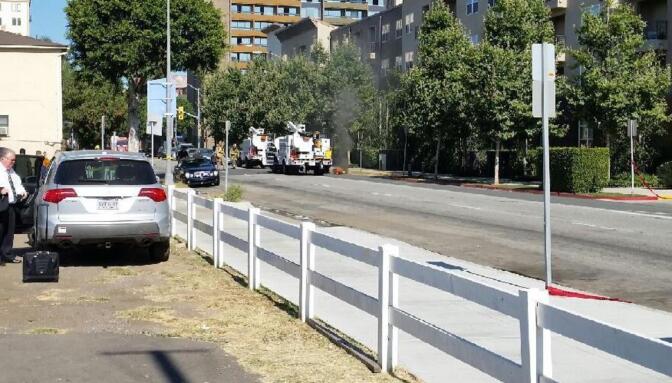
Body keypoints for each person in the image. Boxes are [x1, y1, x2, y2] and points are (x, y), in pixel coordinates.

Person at [0, 148, 27, 264]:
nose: (13, 162)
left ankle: (7, 254)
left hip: (11, 205)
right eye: (12, 160)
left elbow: (18, 184)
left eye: (14, 160)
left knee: (9, 232)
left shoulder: (11, 171)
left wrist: (23, 191)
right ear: (2, 158)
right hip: (1, 204)